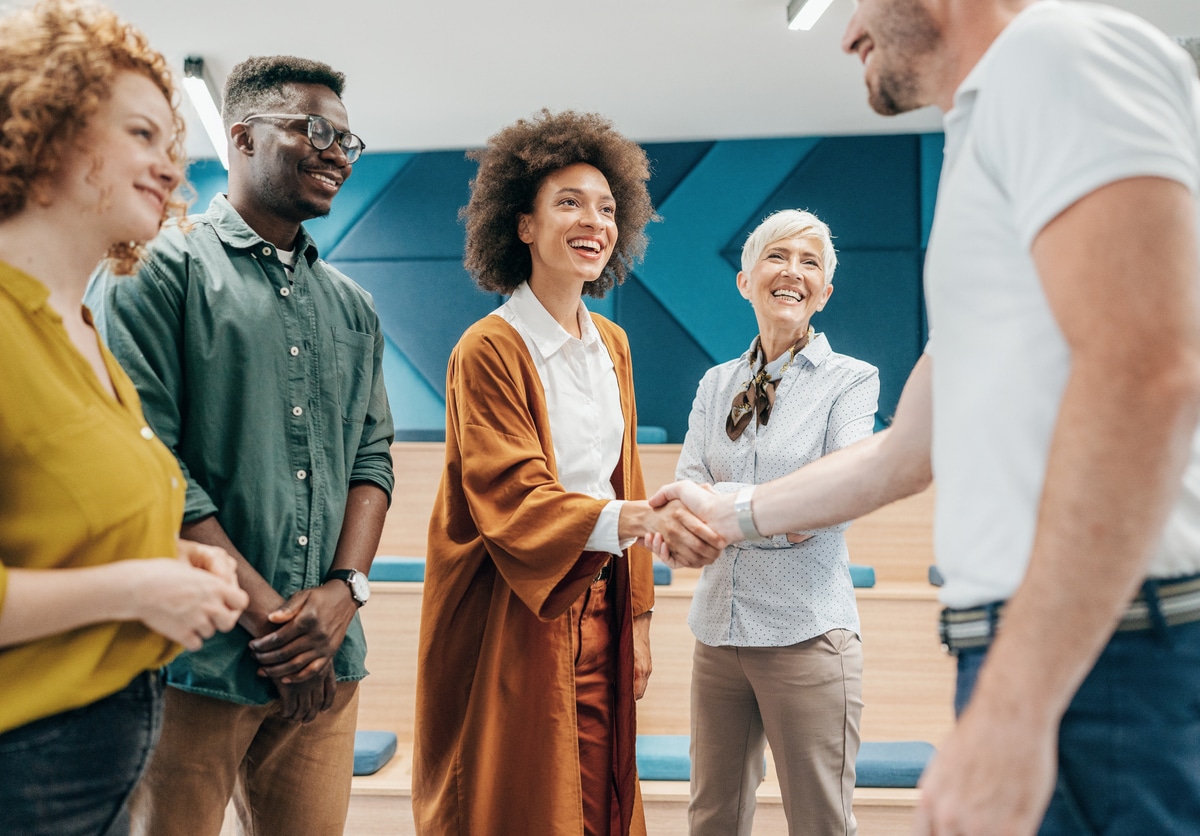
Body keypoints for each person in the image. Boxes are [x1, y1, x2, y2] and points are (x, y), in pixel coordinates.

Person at [651, 1, 1200, 833]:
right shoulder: (991, 131)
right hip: (1056, 651)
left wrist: (1013, 706)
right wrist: (733, 511)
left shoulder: (1057, 57)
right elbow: (909, 449)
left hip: (1117, 655)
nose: (846, 32)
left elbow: (1145, 374)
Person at [85, 55, 394, 836]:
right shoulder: (156, 267)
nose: (335, 152)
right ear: (242, 138)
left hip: (325, 664)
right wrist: (273, 621)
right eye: (314, 129)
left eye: (348, 142)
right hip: (195, 662)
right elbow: (147, 462)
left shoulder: (353, 306)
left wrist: (341, 597)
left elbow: (373, 458)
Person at [413, 109, 724, 836]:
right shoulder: (489, 347)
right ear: (521, 225)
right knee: (524, 799)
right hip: (514, 606)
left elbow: (627, 475)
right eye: (569, 203)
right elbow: (512, 496)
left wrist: (638, 619)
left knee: (597, 798)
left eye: (608, 208)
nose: (595, 221)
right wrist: (643, 521)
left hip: (602, 597)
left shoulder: (611, 342)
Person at [0, 1, 249, 832]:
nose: (172, 171)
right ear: (46, 126)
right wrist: (140, 587)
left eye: (172, 145)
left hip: (106, 757)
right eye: (142, 135)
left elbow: (51, 523)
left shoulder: (81, 329)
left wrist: (169, 557)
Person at [675, 210, 877, 835]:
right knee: (712, 816)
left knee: (818, 822)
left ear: (825, 292)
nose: (792, 272)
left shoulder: (851, 381)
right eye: (777, 256)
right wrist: (773, 505)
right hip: (719, 634)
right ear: (745, 280)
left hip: (807, 635)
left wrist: (727, 507)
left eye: (810, 262)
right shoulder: (715, 385)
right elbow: (687, 494)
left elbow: (837, 495)